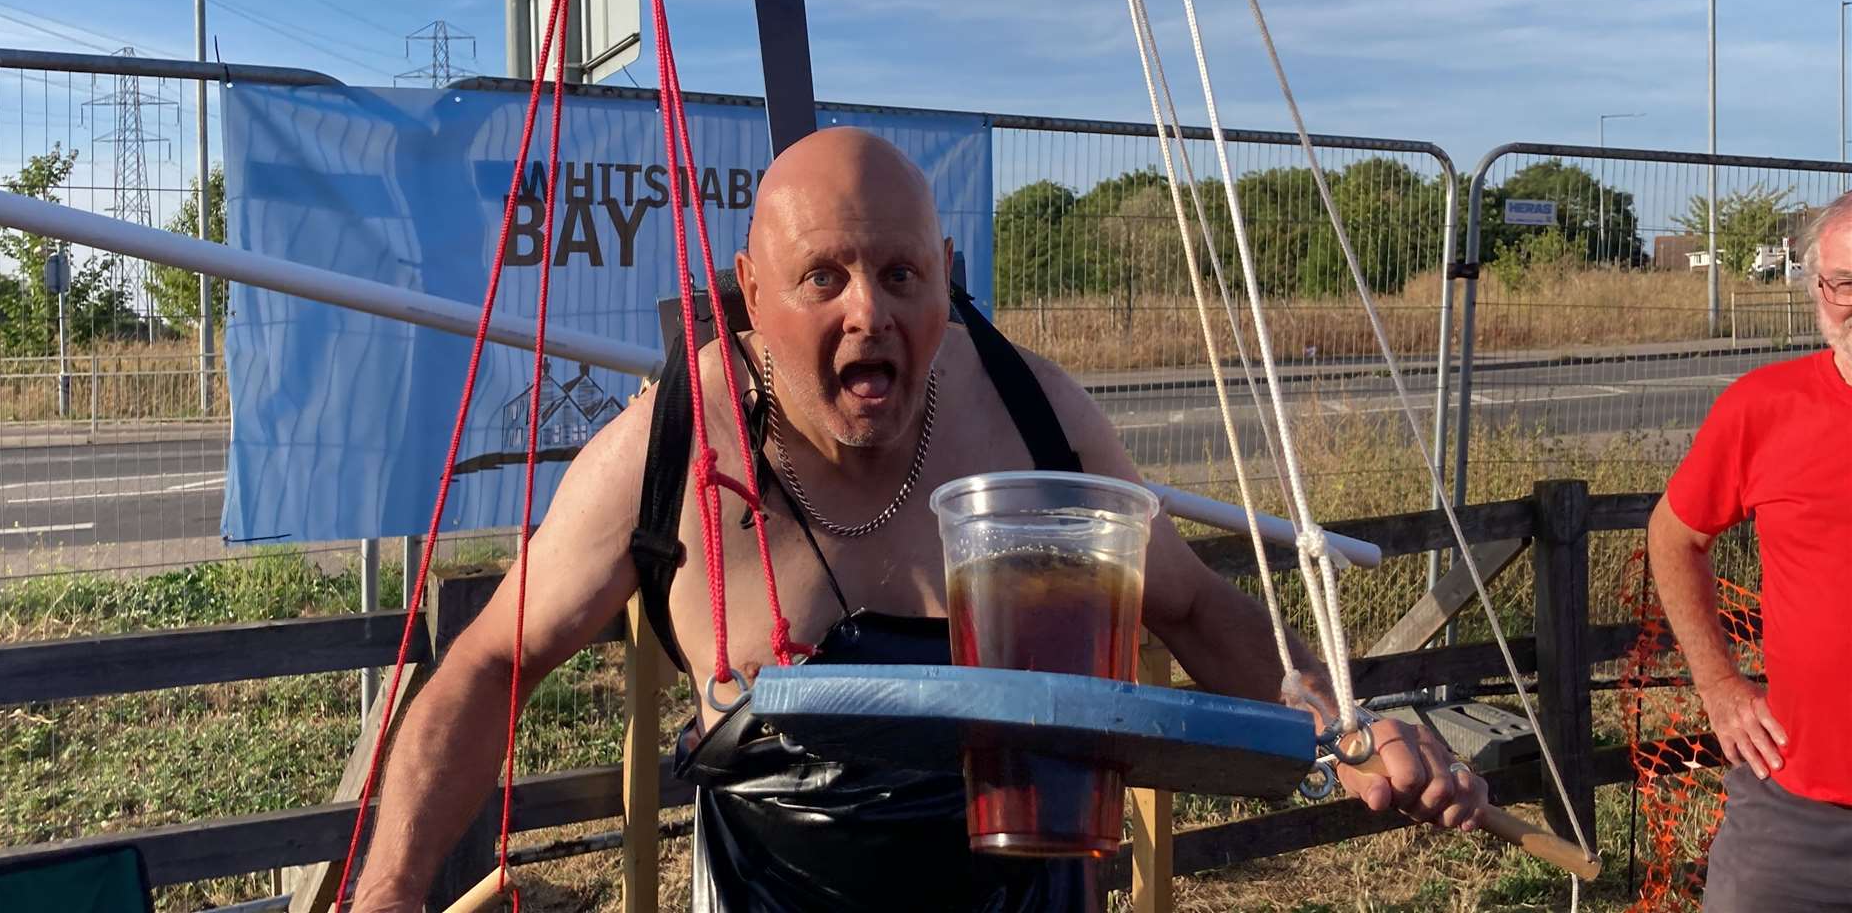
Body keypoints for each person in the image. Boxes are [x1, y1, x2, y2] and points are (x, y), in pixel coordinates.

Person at [350, 128, 1489, 913]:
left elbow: (1193, 606)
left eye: (901, 275)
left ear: (945, 278)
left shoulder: (1040, 428)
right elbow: (488, 663)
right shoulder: (670, 453)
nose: (869, 312)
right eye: (824, 279)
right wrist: (389, 892)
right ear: (751, 293)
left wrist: (1346, 725)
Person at [1647, 190, 1852, 913]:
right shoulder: (1764, 408)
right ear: (1818, 295)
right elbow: (1673, 536)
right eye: (1847, 283)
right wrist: (1720, 686)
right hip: (1796, 817)